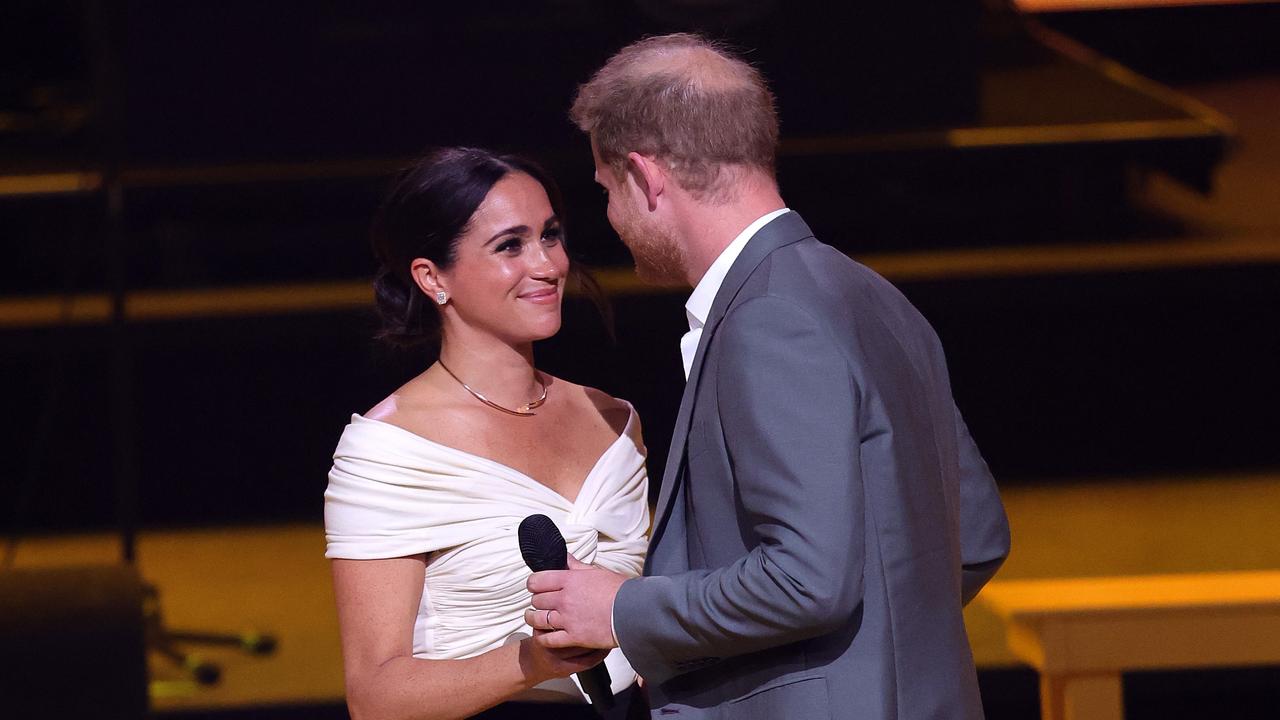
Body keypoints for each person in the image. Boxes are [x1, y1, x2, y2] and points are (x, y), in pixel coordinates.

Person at [524, 34, 1012, 719]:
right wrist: (874, 653)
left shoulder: (768, 319)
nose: (612, 218)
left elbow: (809, 580)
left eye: (607, 192)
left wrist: (622, 608)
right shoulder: (873, 294)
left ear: (646, 176)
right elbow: (978, 536)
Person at [323, 147, 651, 720]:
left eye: (550, 236)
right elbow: (375, 696)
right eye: (510, 246)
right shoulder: (388, 451)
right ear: (432, 278)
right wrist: (537, 661)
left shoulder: (613, 420)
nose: (547, 264)